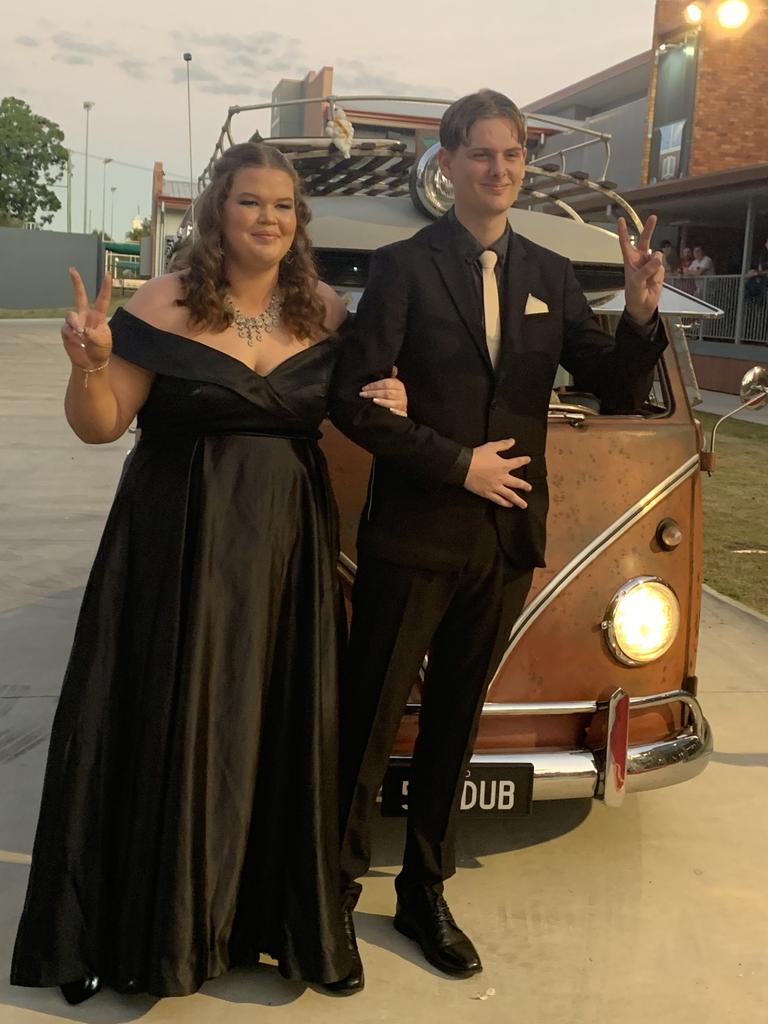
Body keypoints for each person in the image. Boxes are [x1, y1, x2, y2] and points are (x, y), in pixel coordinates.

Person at [11, 142, 407, 1003]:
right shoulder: (165, 299)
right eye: (250, 203)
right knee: (172, 716)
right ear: (216, 213)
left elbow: (357, 408)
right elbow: (102, 423)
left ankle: (262, 923)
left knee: (272, 722)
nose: (268, 219)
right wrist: (86, 368)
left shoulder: (329, 314)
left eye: (284, 206)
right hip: (178, 540)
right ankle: (158, 933)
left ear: (299, 222)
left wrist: (389, 400)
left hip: (284, 545)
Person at [328, 89, 666, 993]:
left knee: (453, 728)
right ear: (448, 163)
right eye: (483, 154)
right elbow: (354, 399)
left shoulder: (552, 274)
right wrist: (456, 464)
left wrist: (637, 317)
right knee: (366, 724)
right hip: (414, 533)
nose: (501, 169)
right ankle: (328, 897)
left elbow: (616, 387)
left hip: (505, 541)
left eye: (514, 154)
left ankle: (424, 893)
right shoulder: (402, 269)